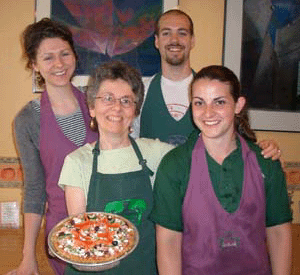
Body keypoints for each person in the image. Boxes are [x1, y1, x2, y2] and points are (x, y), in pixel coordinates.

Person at [150, 65, 292, 274]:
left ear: (238, 105)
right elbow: (169, 243)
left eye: (219, 102)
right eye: (199, 103)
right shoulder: (174, 165)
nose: (208, 112)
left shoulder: (265, 162)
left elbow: (279, 232)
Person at [58, 60, 173, 274]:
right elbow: (78, 239)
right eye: (108, 98)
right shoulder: (77, 162)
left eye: (126, 100)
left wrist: (253, 147)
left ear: (136, 110)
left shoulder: (155, 153)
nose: (117, 107)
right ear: (92, 107)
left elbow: (197, 155)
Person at [9, 18, 98, 275]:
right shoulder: (27, 120)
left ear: (74, 56)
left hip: (109, 222)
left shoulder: (97, 101)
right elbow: (35, 190)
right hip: (64, 235)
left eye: (64, 54)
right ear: (34, 64)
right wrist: (29, 258)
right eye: (48, 58)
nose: (59, 64)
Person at [136, 9, 281, 160]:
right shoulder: (141, 90)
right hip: (152, 182)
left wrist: (265, 148)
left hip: (202, 182)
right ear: (157, 41)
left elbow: (235, 141)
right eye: (166, 33)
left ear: (192, 40)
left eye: (182, 33)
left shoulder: (213, 91)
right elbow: (127, 142)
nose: (174, 39)